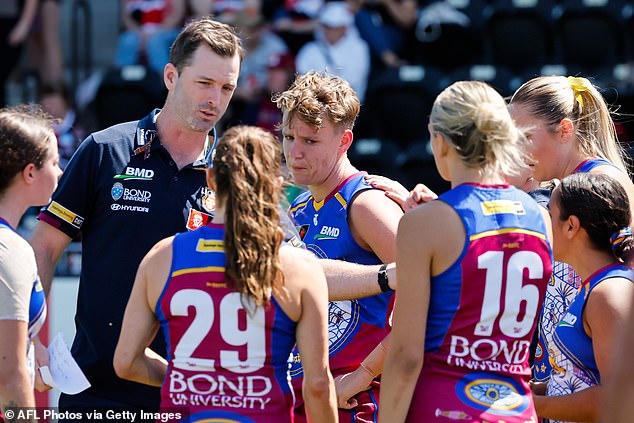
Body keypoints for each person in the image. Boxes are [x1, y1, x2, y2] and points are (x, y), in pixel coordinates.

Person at [29, 17, 243, 418]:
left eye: (226, 87)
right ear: (170, 76)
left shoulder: (235, 172)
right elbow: (43, 247)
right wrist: (28, 338)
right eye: (204, 83)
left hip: (193, 397)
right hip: (97, 393)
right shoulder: (104, 150)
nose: (215, 98)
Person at [114, 125, 338, 422]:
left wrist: (194, 375)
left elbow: (126, 362)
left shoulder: (162, 257)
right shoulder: (299, 267)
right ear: (275, 185)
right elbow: (319, 385)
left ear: (210, 179)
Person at [379, 80, 554, 422]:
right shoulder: (541, 216)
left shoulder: (424, 225)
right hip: (516, 410)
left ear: (440, 141)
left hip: (443, 407)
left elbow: (405, 356)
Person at [275, 71, 404, 422]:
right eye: (288, 137)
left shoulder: (366, 205)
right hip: (306, 396)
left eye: (310, 141)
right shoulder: (298, 208)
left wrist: (365, 373)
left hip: (357, 400)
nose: (294, 152)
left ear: (344, 141)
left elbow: (434, 293)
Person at [508, 75, 634, 385]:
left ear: (565, 130)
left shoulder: (603, 184)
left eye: (525, 137)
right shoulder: (563, 188)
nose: (517, 151)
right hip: (564, 379)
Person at [532, 172, 634, 422]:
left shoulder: (608, 294)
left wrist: (536, 406)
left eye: (551, 215)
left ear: (571, 226)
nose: (546, 225)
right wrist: (537, 391)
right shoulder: (594, 288)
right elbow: (582, 379)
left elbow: (617, 399)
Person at [0, 105, 61, 415]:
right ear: (30, 172)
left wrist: (31, 348)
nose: (60, 172)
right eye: (54, 162)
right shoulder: (10, 249)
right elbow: (9, 375)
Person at [295, 2, 370, 102]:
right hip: (314, 110)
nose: (328, 31)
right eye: (326, 26)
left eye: (334, 26)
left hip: (347, 110)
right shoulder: (310, 50)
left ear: (344, 27)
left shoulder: (359, 49)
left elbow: (352, 84)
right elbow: (303, 83)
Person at [115, 0, 187, 74]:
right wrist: (139, 33)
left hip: (167, 30)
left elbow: (177, 14)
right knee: (128, 40)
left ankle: (163, 78)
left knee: (155, 42)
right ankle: (123, 78)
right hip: (138, 32)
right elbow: (126, 16)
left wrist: (155, 33)